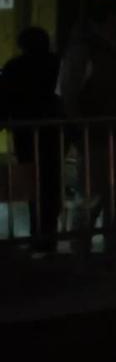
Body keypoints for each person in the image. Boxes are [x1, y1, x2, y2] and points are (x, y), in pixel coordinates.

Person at [58, 0, 116, 269]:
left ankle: (112, 251)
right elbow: (68, 93)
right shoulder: (85, 50)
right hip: (96, 133)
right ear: (110, 18)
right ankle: (82, 251)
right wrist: (80, 128)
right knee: (93, 195)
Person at [1, 27, 65, 255]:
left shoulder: (14, 67)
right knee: (51, 185)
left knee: (33, 185)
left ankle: (37, 235)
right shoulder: (57, 64)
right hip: (54, 132)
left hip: (25, 133)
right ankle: (49, 235)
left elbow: (4, 99)